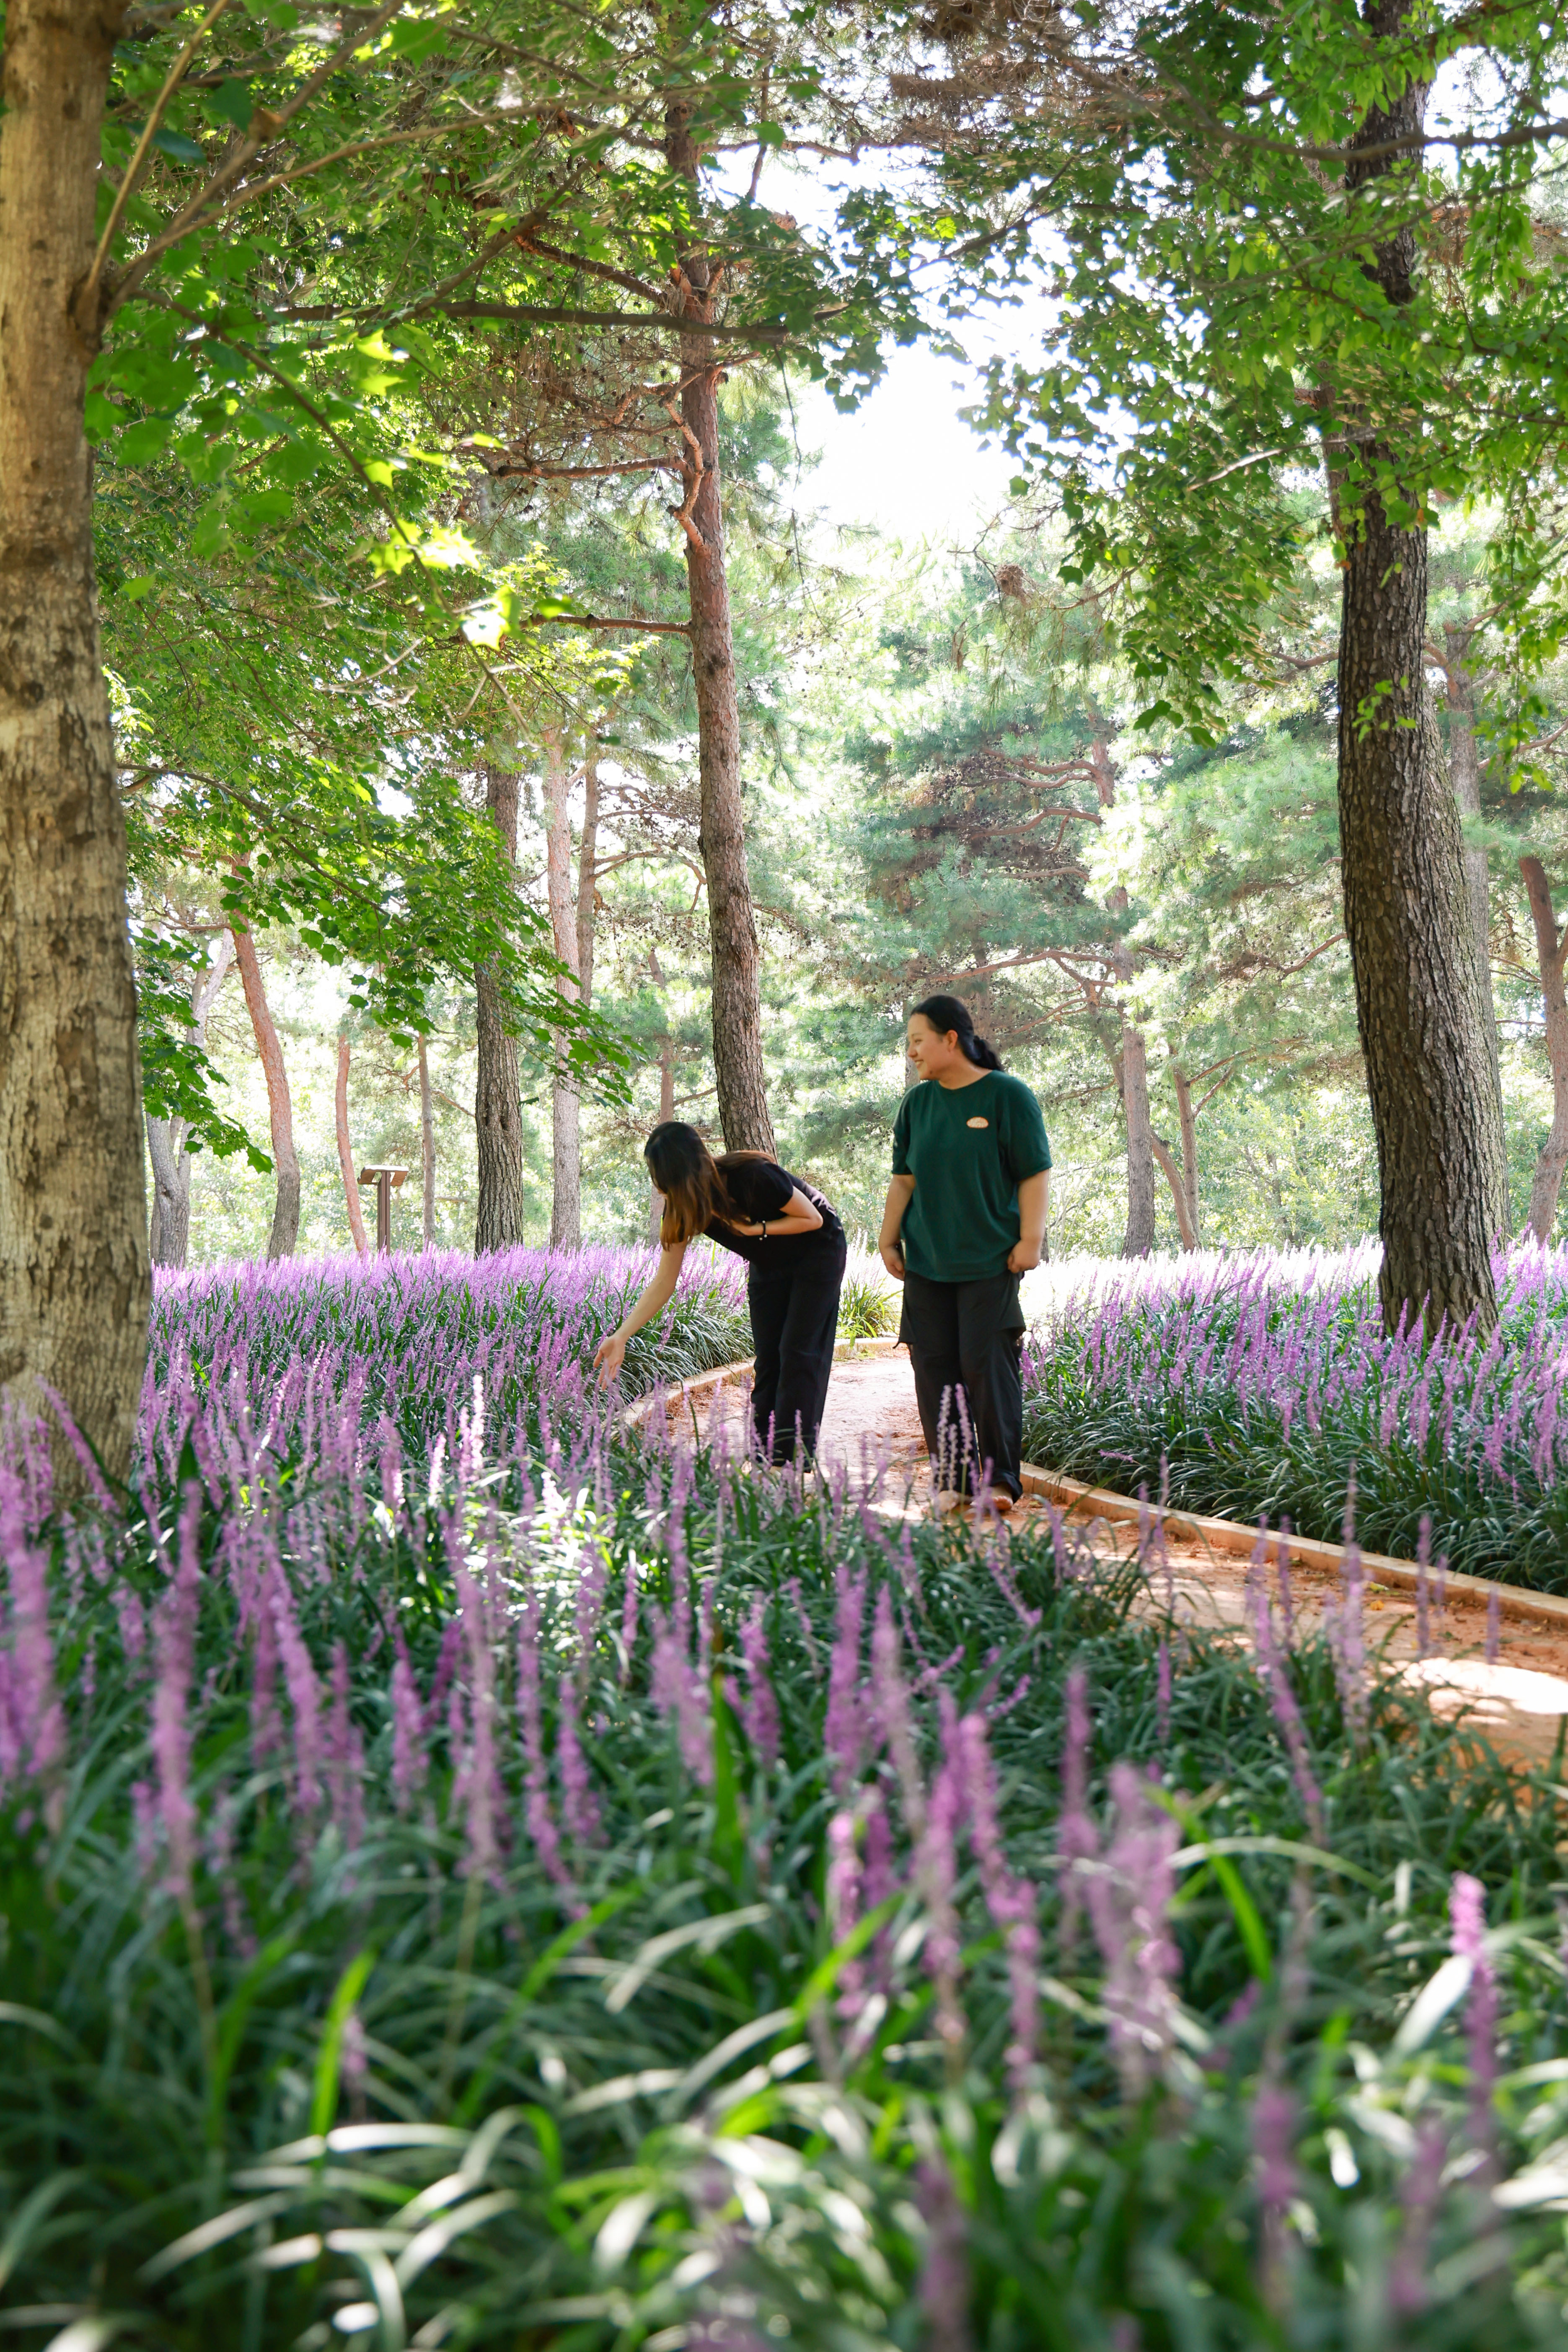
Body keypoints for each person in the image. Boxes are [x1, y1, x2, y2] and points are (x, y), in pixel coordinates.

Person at [877, 994, 1051, 1516]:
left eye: (918, 1040)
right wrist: (887, 1239)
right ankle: (951, 1482)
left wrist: (1030, 1240)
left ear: (950, 1039)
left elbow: (1034, 1171)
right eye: (908, 1043)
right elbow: (903, 1179)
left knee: (987, 1369)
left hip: (990, 1262)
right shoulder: (917, 1105)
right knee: (934, 1371)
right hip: (926, 1263)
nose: (912, 1052)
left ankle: (1000, 1480)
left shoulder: (1007, 1096)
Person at [594, 1121, 847, 1465]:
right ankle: (763, 1457)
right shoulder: (681, 1208)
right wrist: (622, 1335)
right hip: (769, 1261)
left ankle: (790, 1462)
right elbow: (664, 1282)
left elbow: (814, 1219)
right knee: (770, 1358)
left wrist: (753, 1229)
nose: (659, 1188)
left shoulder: (753, 1175)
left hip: (818, 1250)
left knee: (799, 1352)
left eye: (661, 1177)